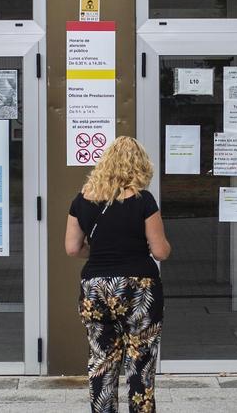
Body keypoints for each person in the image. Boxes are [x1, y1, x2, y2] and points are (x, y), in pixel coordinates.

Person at [66, 136, 171, 413]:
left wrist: (102, 250)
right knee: (141, 364)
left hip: (95, 287)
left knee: (102, 361)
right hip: (139, 287)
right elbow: (160, 251)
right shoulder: (143, 201)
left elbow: (72, 248)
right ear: (140, 165)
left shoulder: (82, 200)